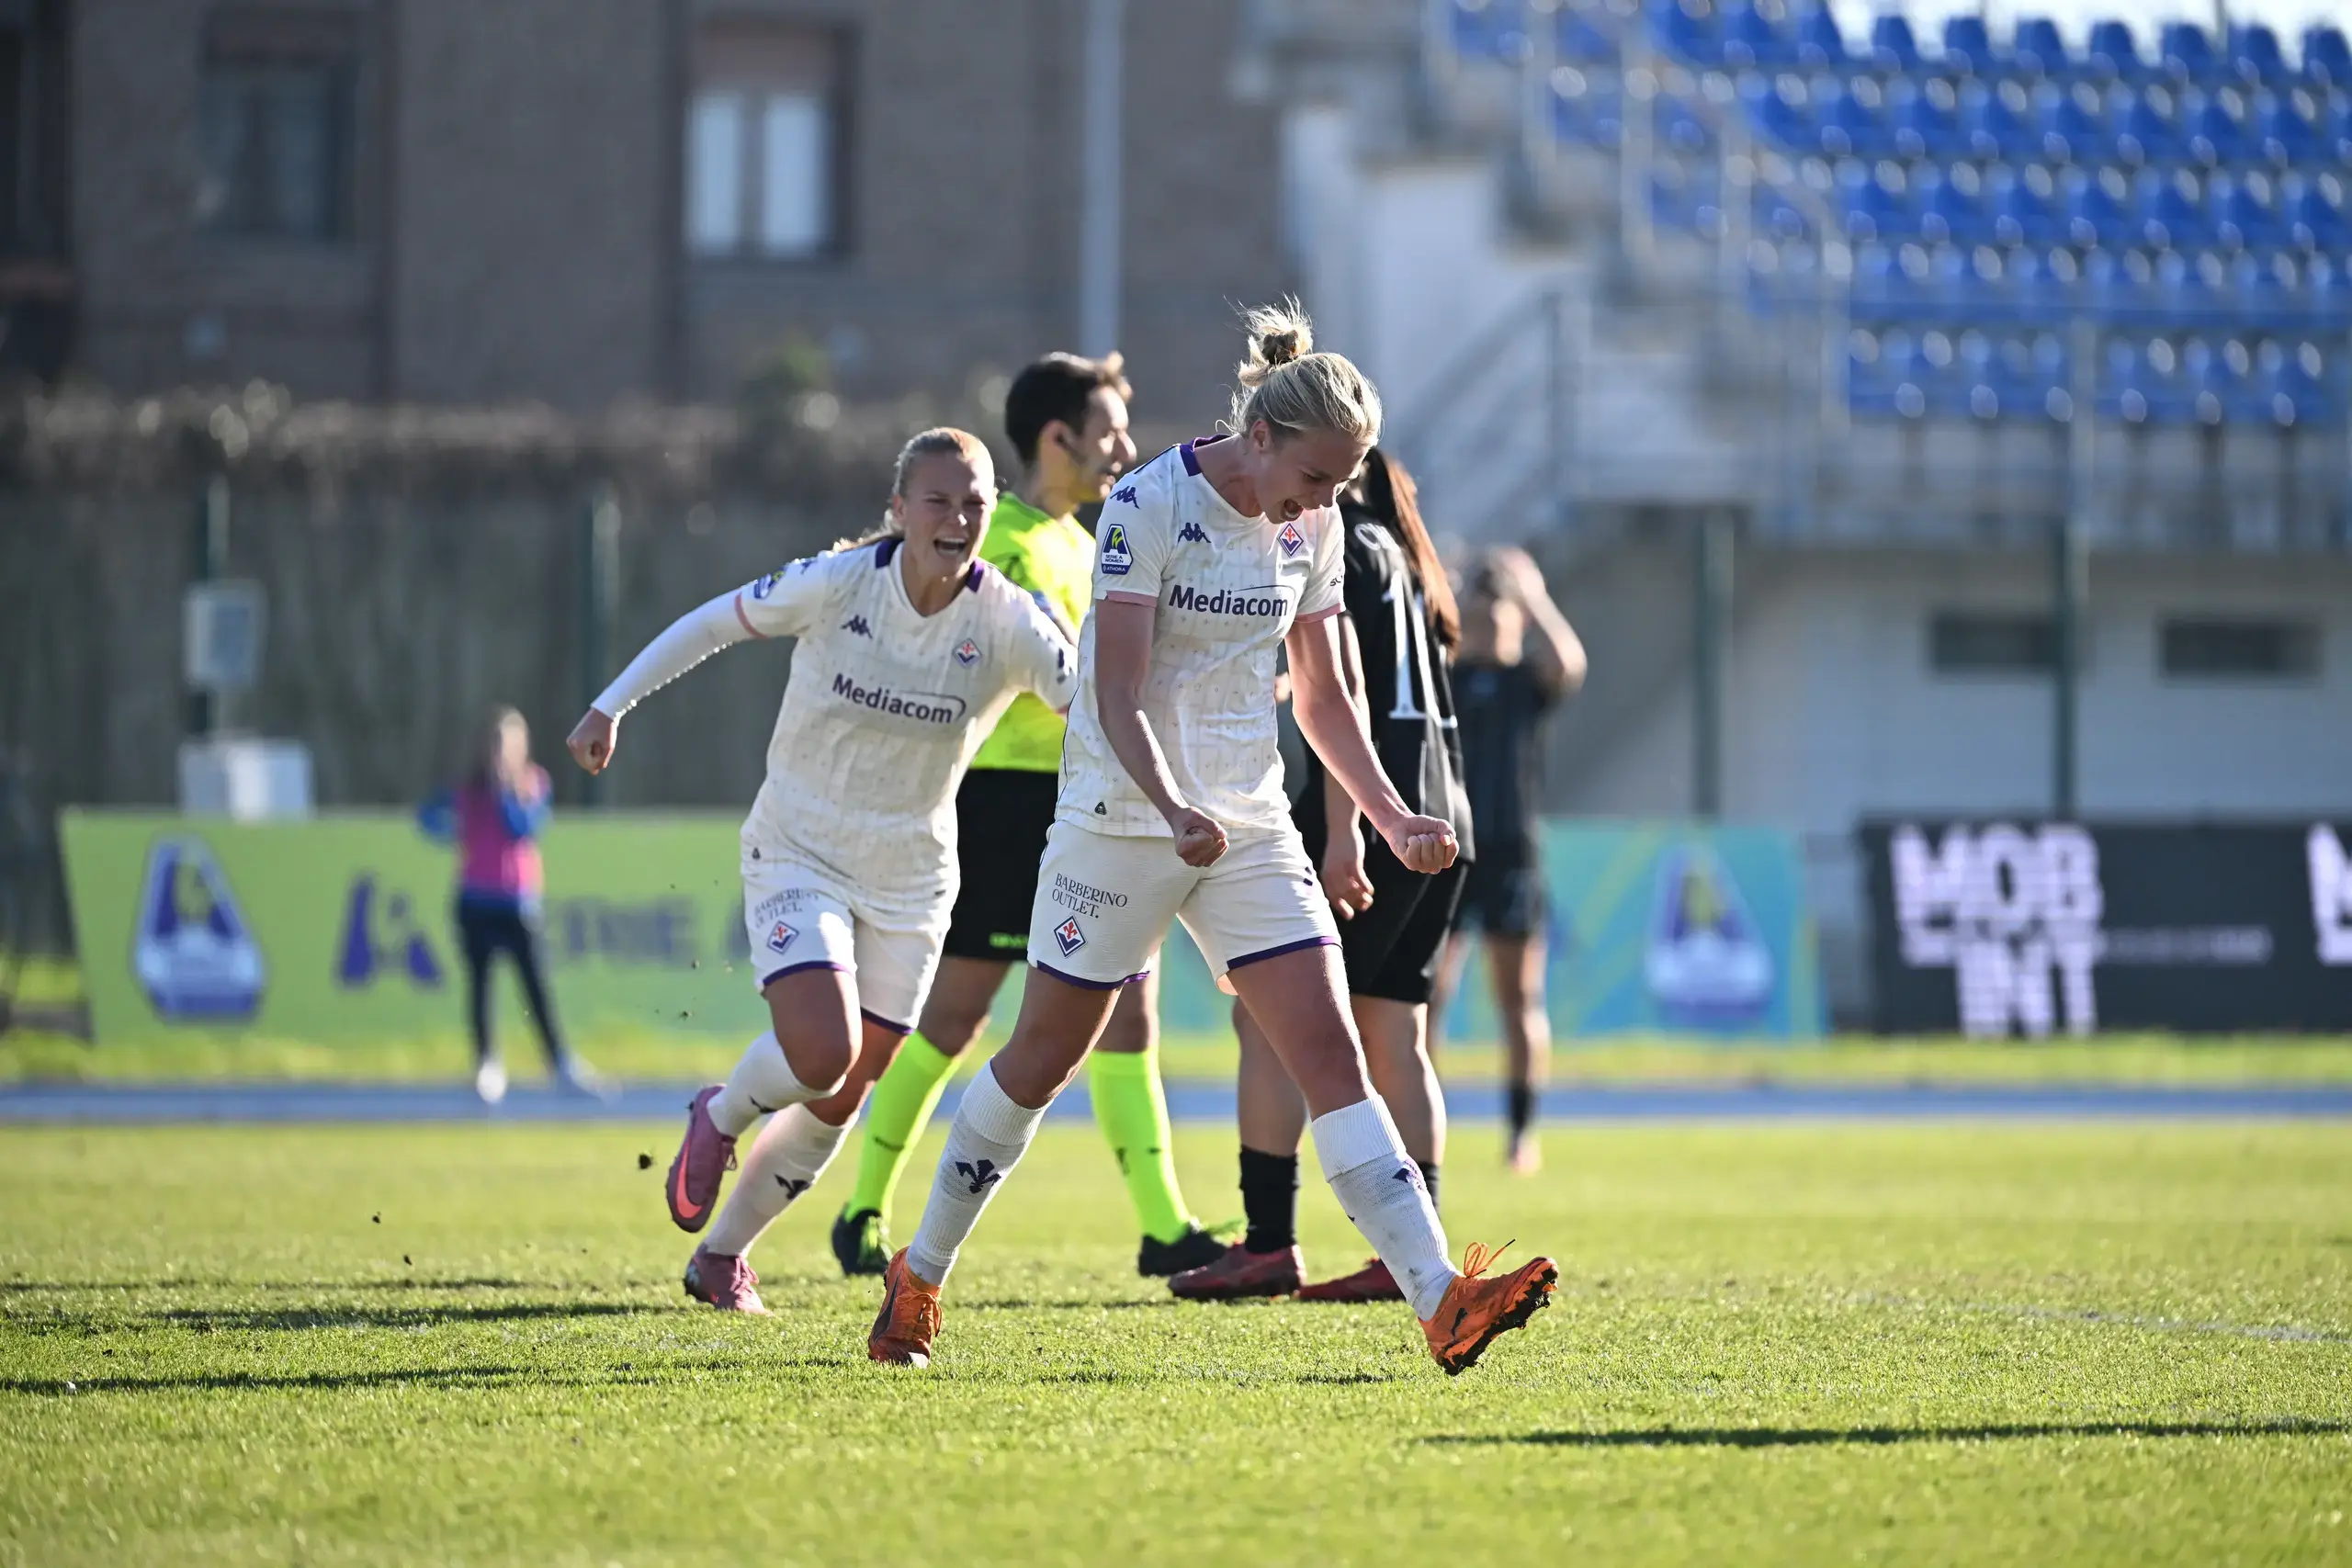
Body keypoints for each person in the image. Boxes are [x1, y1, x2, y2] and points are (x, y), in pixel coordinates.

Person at [865, 305, 1557, 1375]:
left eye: (1339, 486)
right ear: (1265, 436)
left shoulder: (1316, 527)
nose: (1321, 505)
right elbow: (1118, 686)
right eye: (1315, 478)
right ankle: (918, 1277)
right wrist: (1172, 805)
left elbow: (1328, 700)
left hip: (1247, 823)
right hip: (1119, 820)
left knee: (1329, 1053)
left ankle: (1440, 1302)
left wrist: (1388, 815)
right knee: (1041, 1061)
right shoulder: (1147, 502)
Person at [567, 427, 1077, 1316]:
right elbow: (711, 624)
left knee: (842, 1091)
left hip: (914, 882)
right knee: (821, 1051)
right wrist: (612, 704)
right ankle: (722, 1115)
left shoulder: (1010, 622)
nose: (957, 519)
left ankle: (723, 1257)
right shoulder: (838, 585)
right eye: (939, 500)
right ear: (898, 510)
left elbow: (1100, 708)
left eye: (974, 503)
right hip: (799, 850)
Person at [831, 354, 1233, 1280]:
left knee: (1129, 1013)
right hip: (1008, 805)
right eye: (1109, 432)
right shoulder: (1002, 545)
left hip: (1091, 803)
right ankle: (861, 1208)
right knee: (958, 1016)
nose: (1125, 450)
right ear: (1056, 438)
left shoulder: (1086, 545)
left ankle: (1164, 1226)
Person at [1169, 447, 1471, 1304]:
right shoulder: (1408, 554)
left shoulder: (1335, 538)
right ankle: (1415, 1242)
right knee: (1395, 1035)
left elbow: (1344, 694)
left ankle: (1268, 1242)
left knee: (1268, 1026)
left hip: (1378, 817)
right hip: (1448, 810)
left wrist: (1346, 834)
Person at [1430, 547, 1585, 1174]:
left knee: (1518, 998)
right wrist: (1441, 584)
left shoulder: (1527, 686)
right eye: (1480, 618)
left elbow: (1569, 663)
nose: (1492, 629)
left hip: (1513, 855)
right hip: (1446, 853)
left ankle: (1522, 1132)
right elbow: (1410, 645)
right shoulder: (1445, 679)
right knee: (1427, 995)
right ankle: (1421, 1121)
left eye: (1502, 619)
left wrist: (1533, 593)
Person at [417, 706, 604, 1104]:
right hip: (474, 901)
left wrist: (505, 791)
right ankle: (487, 1063)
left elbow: (523, 827)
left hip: (518, 902)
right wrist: (454, 827)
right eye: (497, 744)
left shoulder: (533, 784)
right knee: (481, 987)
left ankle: (560, 1063)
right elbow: (428, 818)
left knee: (536, 986)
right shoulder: (469, 790)